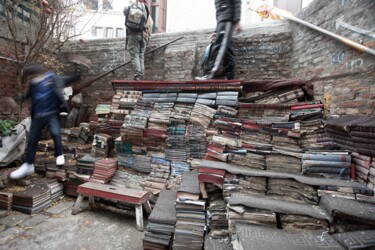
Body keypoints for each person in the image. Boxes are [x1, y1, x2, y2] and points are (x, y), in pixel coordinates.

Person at [10, 62, 83, 180]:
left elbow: (74, 77)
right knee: (32, 139)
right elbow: (27, 96)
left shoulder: (54, 79)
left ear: (40, 72)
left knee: (55, 132)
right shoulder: (33, 84)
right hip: (38, 116)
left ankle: (59, 154)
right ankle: (28, 165)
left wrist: (77, 65)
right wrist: (14, 101)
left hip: (52, 114)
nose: (35, 78)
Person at [196, 0, 242, 80]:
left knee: (219, 47)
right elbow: (218, 14)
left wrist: (237, 20)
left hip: (227, 20)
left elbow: (236, 2)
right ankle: (230, 77)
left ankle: (211, 74)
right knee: (227, 50)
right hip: (222, 22)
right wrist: (216, 30)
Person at [124, 0, 153, 80]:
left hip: (133, 35)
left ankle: (138, 75)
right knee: (141, 56)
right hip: (144, 37)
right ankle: (141, 75)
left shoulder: (133, 7)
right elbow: (150, 27)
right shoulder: (147, 12)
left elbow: (125, 11)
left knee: (135, 55)